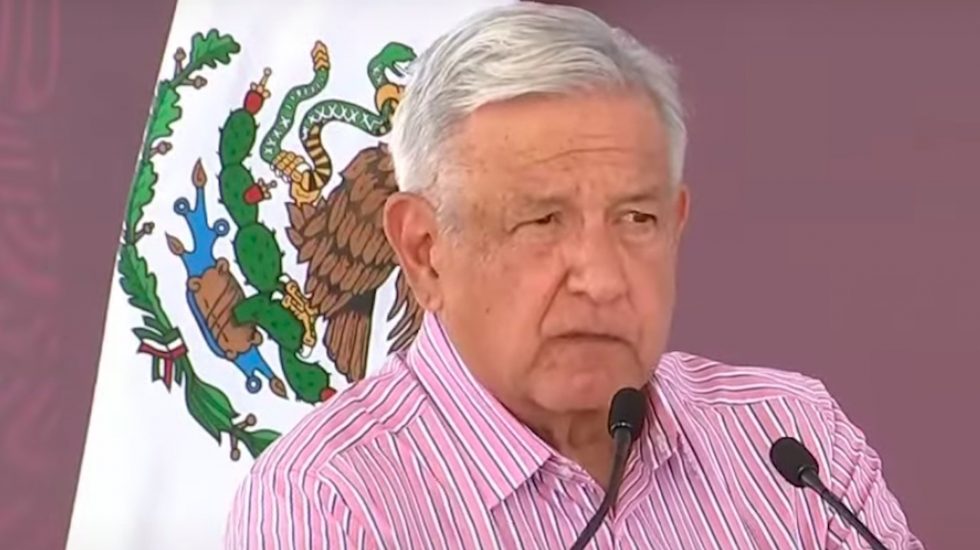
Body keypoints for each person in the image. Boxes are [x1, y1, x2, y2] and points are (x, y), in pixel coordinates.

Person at [225, 3, 921, 548]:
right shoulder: (331, 502)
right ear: (425, 250)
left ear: (676, 225)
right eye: (542, 221)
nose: (602, 278)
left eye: (637, 219)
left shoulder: (790, 441)